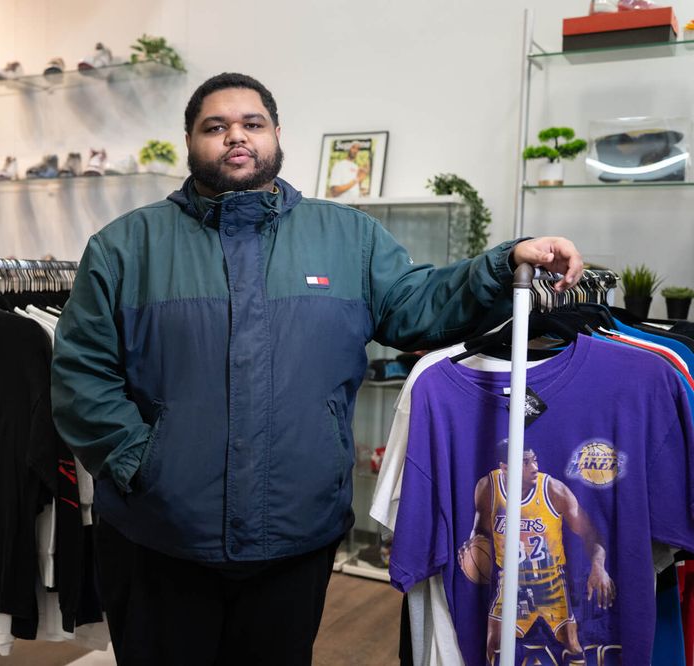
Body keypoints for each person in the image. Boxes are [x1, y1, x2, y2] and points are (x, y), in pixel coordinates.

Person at [51, 72, 583, 665]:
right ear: (189, 140)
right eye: (215, 126)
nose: (235, 136)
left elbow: (416, 306)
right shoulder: (125, 247)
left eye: (251, 124)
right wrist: (143, 466)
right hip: (160, 538)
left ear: (276, 134)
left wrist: (502, 263)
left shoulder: (348, 238)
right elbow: (80, 376)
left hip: (295, 534)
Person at [460, 447, 614, 665]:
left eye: (535, 460)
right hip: (512, 582)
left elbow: (591, 534)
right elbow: (480, 533)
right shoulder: (488, 488)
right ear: (504, 468)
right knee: (492, 643)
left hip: (550, 583)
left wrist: (598, 566)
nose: (535, 467)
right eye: (525, 462)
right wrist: (471, 550)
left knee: (571, 643)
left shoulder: (553, 490)